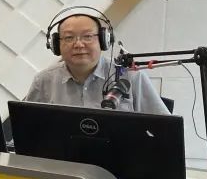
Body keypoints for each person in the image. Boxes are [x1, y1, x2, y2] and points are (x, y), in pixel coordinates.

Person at [24, 10, 169, 115]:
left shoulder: (131, 77)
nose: (78, 44)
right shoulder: (43, 81)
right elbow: (26, 128)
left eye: (87, 36)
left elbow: (165, 128)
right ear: (56, 45)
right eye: (69, 38)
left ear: (103, 40)